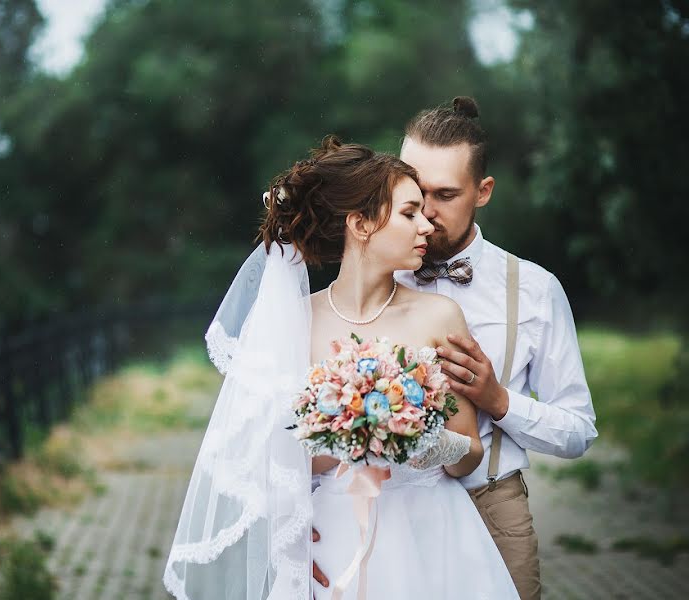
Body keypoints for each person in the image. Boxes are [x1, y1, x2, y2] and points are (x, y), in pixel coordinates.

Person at [164, 135, 519, 599]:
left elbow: (470, 452)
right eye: (409, 213)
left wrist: (420, 440)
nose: (426, 226)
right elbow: (261, 459)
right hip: (331, 535)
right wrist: (289, 538)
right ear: (361, 223)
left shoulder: (440, 317)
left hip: (433, 529)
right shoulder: (297, 323)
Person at [316, 96, 599, 600]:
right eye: (414, 192)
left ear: (483, 191)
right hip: (371, 514)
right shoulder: (372, 265)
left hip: (492, 506)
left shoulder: (533, 290)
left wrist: (501, 403)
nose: (425, 212)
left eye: (444, 194)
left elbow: (579, 431)